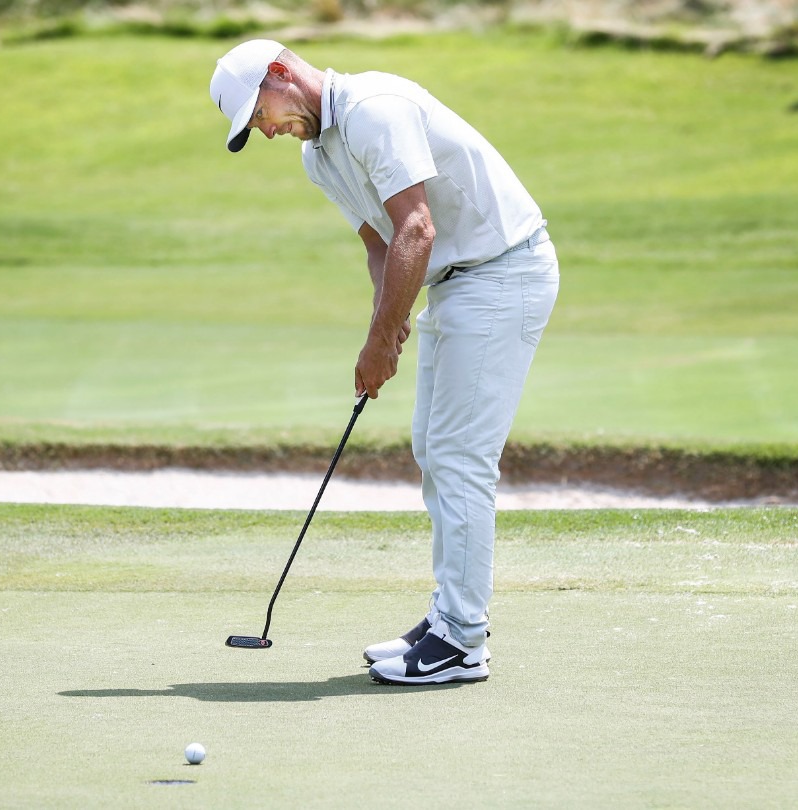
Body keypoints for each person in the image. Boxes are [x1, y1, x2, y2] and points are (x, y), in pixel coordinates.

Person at [210, 39, 558, 685]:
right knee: (434, 449)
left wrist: (383, 337)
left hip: (503, 269)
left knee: (459, 458)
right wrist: (383, 328)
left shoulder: (375, 108)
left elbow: (417, 228)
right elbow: (381, 245)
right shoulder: (319, 158)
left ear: (282, 75)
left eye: (258, 115)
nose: (264, 132)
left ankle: (463, 641)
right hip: (458, 283)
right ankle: (448, 617)